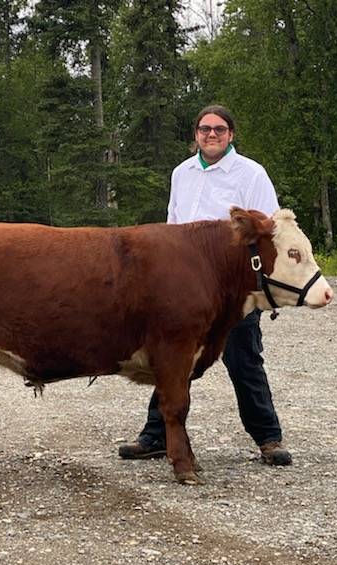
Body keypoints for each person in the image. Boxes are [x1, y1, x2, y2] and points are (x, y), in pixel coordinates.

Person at [118, 104, 292, 467]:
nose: (211, 135)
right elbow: (172, 224)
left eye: (219, 129)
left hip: (230, 285)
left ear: (231, 134)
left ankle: (268, 437)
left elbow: (269, 229)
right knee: (171, 358)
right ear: (195, 135)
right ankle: (155, 436)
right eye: (204, 129)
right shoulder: (182, 173)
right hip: (182, 286)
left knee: (243, 357)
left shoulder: (250, 173)